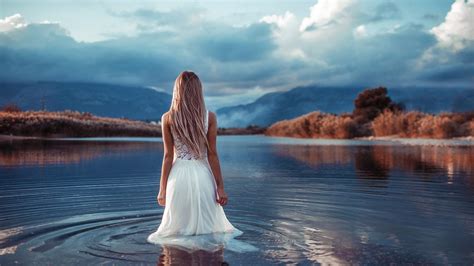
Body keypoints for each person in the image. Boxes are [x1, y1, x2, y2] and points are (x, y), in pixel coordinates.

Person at [147, 71, 241, 249]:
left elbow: (168, 156)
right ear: (199, 90)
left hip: (177, 178)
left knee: (177, 230)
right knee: (208, 227)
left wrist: (162, 189)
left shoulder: (167, 118)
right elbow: (212, 154)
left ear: (177, 90)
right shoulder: (209, 117)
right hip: (203, 176)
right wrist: (220, 187)